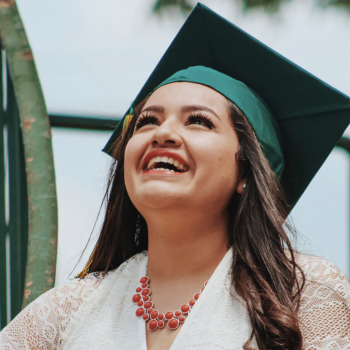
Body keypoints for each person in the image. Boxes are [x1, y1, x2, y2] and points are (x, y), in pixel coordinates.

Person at [1, 3, 350, 350]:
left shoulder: (303, 294)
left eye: (198, 120)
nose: (162, 133)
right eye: (146, 121)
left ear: (246, 170)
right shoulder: (67, 311)